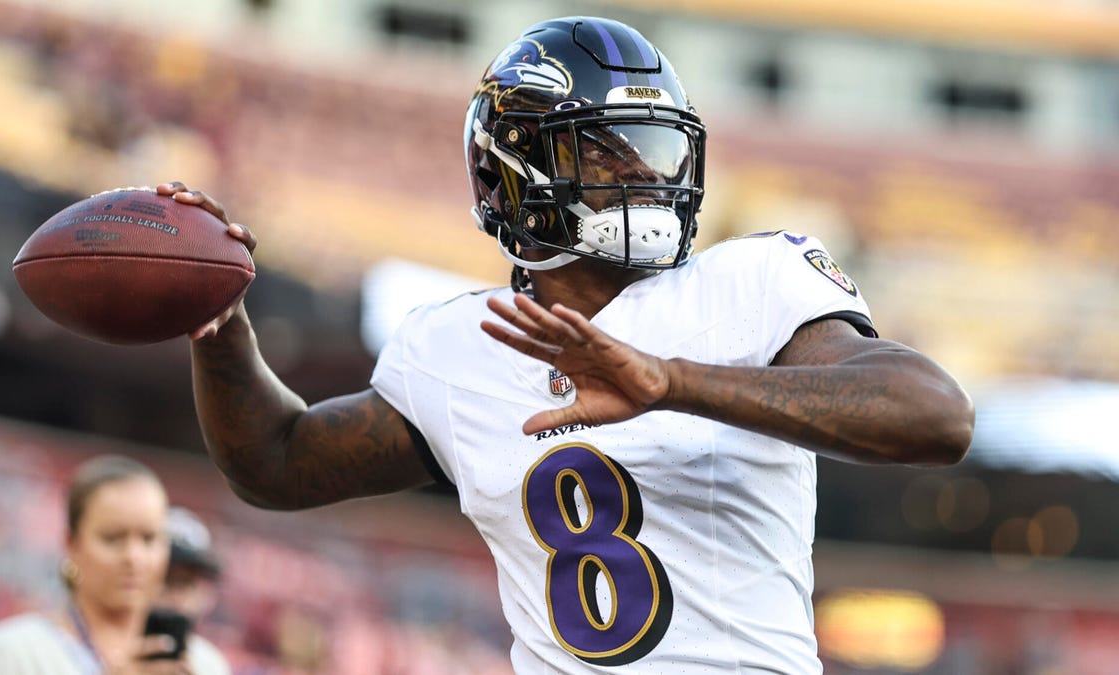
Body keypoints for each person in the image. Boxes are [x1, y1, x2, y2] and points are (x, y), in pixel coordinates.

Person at [162, 15, 974, 674]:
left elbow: (936, 416)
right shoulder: (458, 343)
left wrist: (672, 382)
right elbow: (276, 461)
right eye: (601, 149)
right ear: (507, 171)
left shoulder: (753, 278)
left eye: (651, 149)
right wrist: (219, 321)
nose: (643, 176)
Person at [0, 455, 192, 675]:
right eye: (113, 538)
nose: (133, 557)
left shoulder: (203, 661)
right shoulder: (8, 656)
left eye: (149, 538)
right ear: (71, 543)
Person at [158, 507, 231, 675]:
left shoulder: (209, 663)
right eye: (166, 580)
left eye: (187, 583)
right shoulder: (100, 647)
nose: (176, 598)